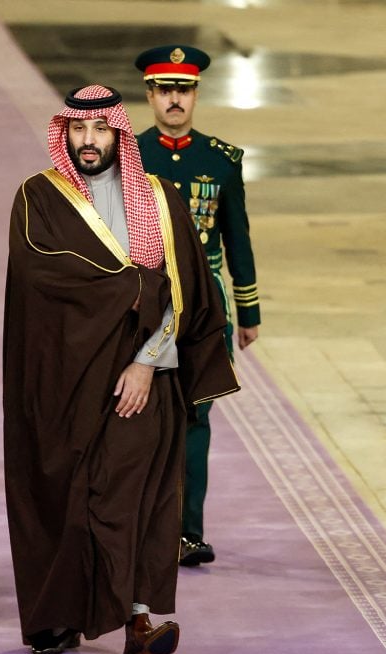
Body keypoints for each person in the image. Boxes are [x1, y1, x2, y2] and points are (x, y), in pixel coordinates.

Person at [3, 85, 238, 654]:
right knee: (69, 500)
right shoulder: (39, 198)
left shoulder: (158, 199)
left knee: (136, 498)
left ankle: (137, 623)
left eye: (100, 131)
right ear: (67, 135)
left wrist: (147, 360)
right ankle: (59, 617)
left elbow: (184, 288)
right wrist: (135, 285)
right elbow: (47, 281)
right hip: (69, 385)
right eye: (78, 131)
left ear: (117, 134)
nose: (88, 142)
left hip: (146, 380)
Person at [135, 45, 262, 567]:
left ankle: (189, 532)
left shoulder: (221, 160)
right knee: (139, 416)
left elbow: (238, 237)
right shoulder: (131, 157)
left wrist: (249, 312)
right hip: (146, 301)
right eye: (164, 90)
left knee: (196, 417)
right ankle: (142, 526)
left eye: (183, 90)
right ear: (149, 95)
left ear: (195, 95)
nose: (174, 100)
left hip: (206, 308)